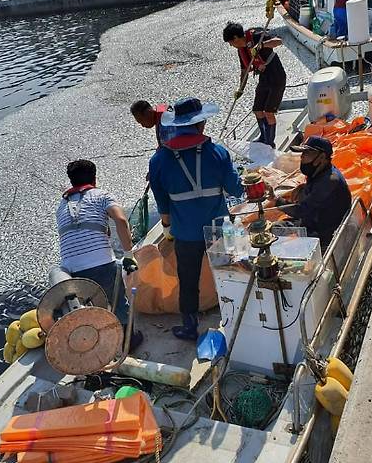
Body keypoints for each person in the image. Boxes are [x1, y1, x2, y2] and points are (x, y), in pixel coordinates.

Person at [149, 98, 244, 341]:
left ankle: (190, 327)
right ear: (200, 123)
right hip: (218, 228)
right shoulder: (217, 152)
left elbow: (163, 205)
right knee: (228, 273)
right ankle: (237, 321)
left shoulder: (159, 160)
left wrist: (168, 227)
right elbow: (235, 189)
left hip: (185, 233)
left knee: (188, 281)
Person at [56, 159, 143, 349]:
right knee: (119, 300)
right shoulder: (101, 195)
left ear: (72, 181)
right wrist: (128, 253)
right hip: (100, 264)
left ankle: (99, 343)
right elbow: (120, 220)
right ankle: (130, 341)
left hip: (71, 272)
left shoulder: (61, 206)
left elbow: (78, 230)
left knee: (92, 306)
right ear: (94, 179)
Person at [267, 136, 351, 249]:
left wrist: (276, 201)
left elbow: (301, 211)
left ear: (321, 157)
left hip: (323, 232)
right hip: (316, 219)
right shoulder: (321, 171)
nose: (302, 157)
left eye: (307, 153)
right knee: (275, 227)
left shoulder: (330, 180)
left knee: (272, 235)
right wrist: (304, 187)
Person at [223, 21, 287, 148]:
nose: (231, 45)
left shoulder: (257, 36)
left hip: (276, 76)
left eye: (230, 42)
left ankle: (270, 142)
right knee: (257, 109)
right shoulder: (241, 49)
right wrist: (240, 89)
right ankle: (263, 136)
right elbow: (244, 71)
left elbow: (279, 40)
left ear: (235, 38)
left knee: (268, 112)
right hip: (264, 78)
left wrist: (261, 45)